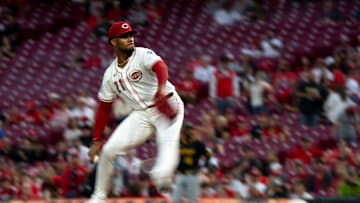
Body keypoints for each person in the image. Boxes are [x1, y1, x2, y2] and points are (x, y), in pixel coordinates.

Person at [86, 21, 184, 203]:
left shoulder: (142, 54)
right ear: (114, 42)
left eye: (131, 34)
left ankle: (170, 191)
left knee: (162, 168)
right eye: (124, 36)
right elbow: (104, 107)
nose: (130, 38)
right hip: (141, 115)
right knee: (108, 151)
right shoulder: (110, 75)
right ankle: (98, 197)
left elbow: (160, 66)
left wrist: (161, 89)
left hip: (167, 104)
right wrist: (96, 140)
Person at [173, 123, 211, 203]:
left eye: (190, 129)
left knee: (192, 200)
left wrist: (204, 167)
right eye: (187, 129)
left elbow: (208, 154)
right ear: (183, 131)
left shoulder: (197, 143)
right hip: (180, 174)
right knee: (176, 199)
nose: (189, 131)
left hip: (192, 175)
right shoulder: (178, 143)